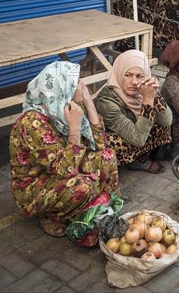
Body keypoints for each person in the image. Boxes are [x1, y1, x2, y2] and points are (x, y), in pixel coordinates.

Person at [9, 61, 119, 238]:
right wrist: (74, 129)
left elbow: (100, 147)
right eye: (77, 82)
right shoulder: (32, 123)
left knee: (107, 157)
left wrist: (90, 105)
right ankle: (50, 216)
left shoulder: (67, 106)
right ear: (62, 88)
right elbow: (64, 170)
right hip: (36, 184)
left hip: (65, 167)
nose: (83, 85)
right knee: (82, 186)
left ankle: (104, 207)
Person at [93, 50, 172, 174]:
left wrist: (155, 95)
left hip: (135, 133)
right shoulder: (106, 101)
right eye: (128, 75)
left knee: (159, 123)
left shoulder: (142, 92)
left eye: (139, 76)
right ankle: (125, 163)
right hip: (110, 143)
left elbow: (167, 121)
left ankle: (139, 160)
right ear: (119, 73)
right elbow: (137, 139)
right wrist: (147, 100)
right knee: (134, 132)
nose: (134, 82)